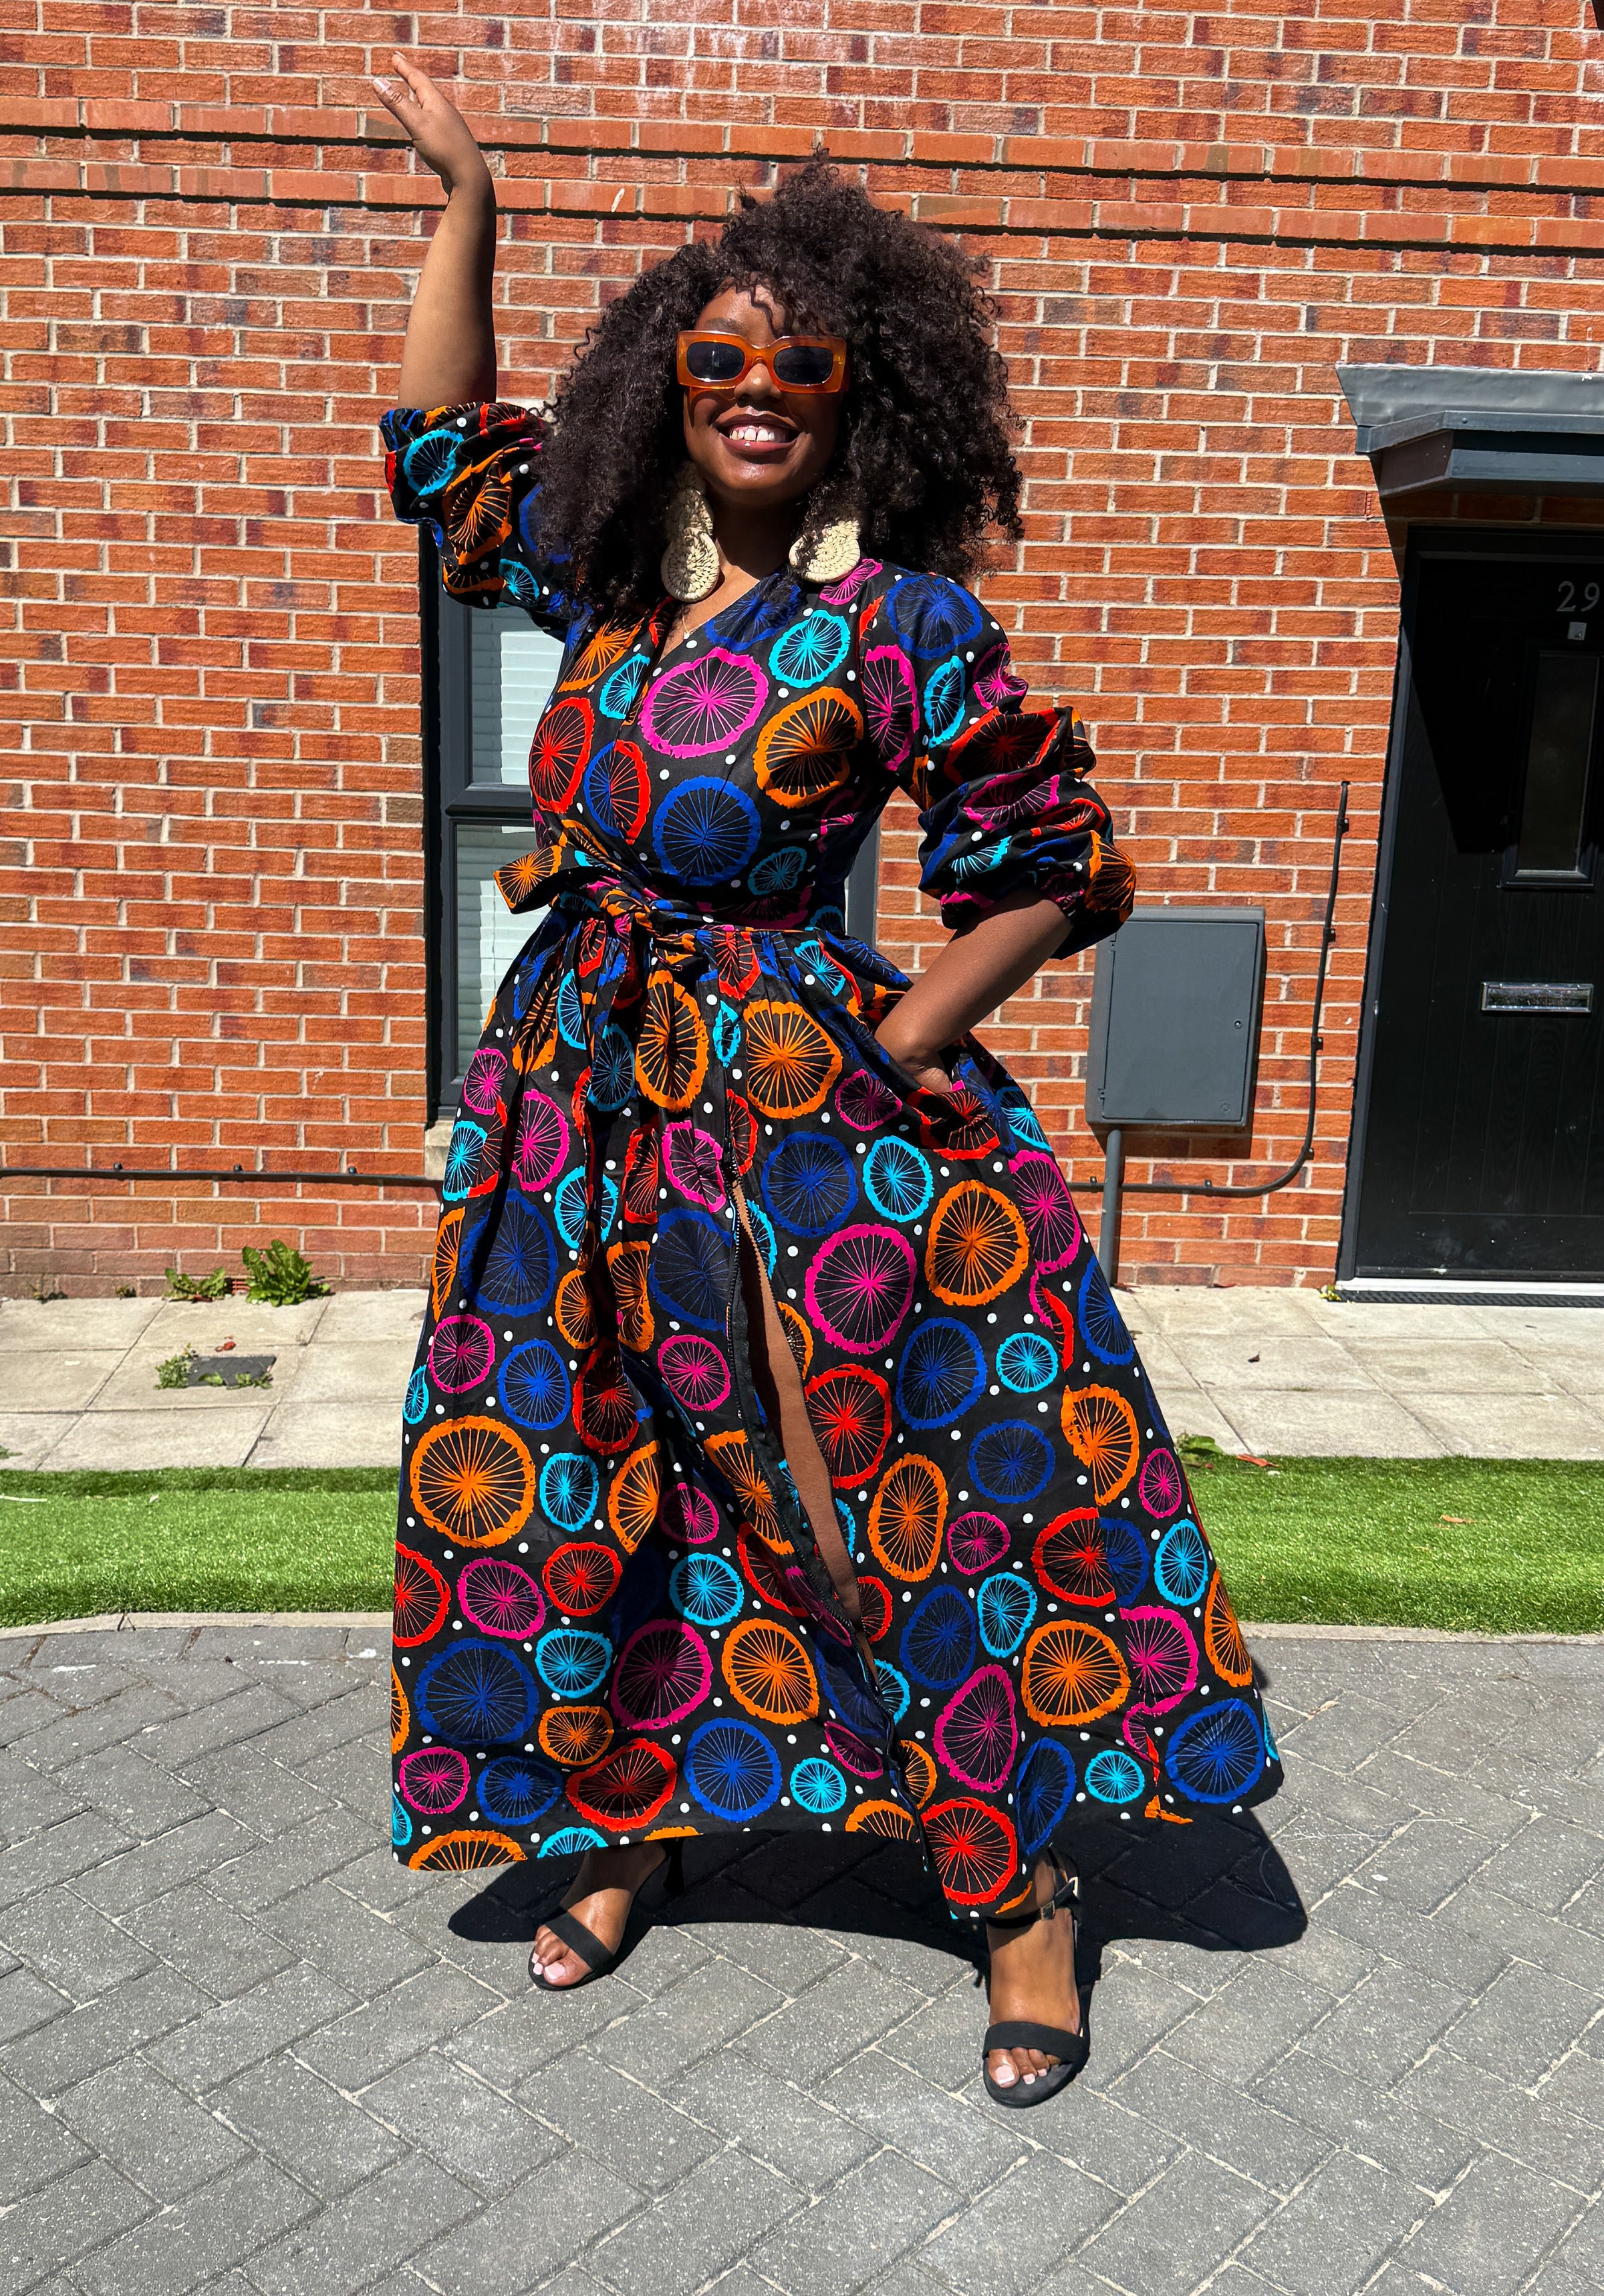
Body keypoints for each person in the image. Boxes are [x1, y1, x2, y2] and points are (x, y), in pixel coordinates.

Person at [373, 53, 1282, 2108]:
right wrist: (472, 210)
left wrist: (902, 1035)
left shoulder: (901, 623)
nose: (755, 389)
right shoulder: (606, 574)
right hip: (578, 1103)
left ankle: (1017, 1889)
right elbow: (440, 451)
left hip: (795, 1114)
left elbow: (1056, 866)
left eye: (800, 365)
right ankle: (630, 1821)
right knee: (586, 1454)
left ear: (864, 392)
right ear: (668, 386)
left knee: (865, 1485)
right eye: (716, 361)